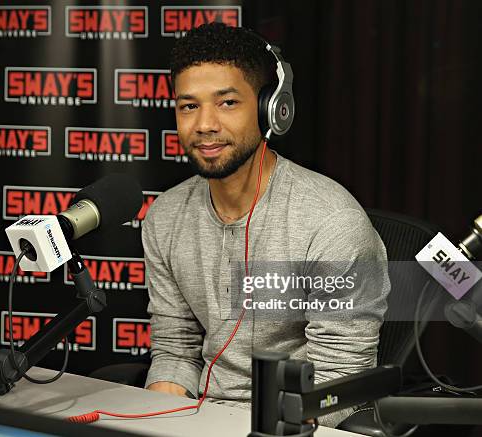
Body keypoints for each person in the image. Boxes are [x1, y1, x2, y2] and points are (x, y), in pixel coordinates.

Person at [142, 22, 390, 428]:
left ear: (270, 110)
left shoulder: (332, 223)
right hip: (197, 419)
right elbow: (175, 350)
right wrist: (154, 421)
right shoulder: (165, 217)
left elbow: (340, 381)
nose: (204, 124)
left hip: (294, 424)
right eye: (189, 106)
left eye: (226, 103)